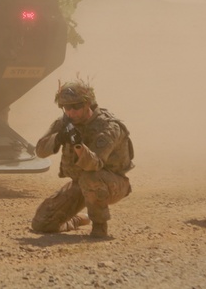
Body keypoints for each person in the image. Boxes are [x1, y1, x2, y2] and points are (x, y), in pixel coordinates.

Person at [31, 79, 134, 238]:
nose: (72, 112)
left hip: (112, 184)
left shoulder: (108, 127)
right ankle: (78, 220)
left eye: (77, 106)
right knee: (42, 223)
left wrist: (78, 145)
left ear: (88, 104)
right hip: (81, 184)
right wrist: (58, 138)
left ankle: (100, 227)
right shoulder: (65, 122)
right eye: (67, 107)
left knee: (90, 177)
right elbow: (40, 151)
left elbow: (94, 164)